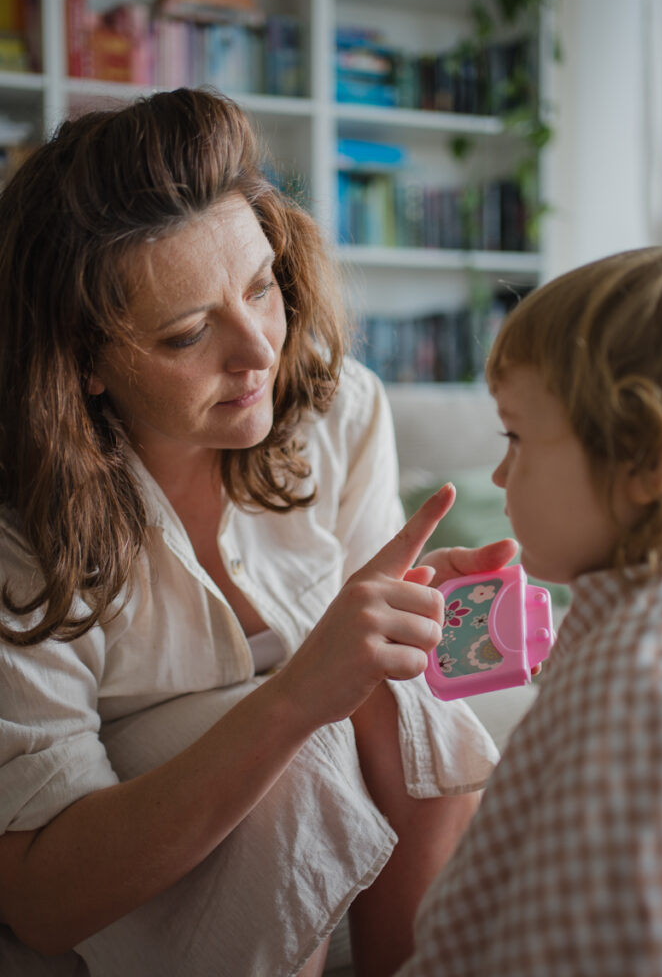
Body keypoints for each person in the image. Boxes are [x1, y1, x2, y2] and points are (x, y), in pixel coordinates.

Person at [0, 87, 514, 977]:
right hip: (142, 817)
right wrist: (295, 699)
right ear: (82, 363)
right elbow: (40, 907)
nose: (258, 352)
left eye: (260, 287)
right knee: (307, 754)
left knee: (413, 682)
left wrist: (407, 621)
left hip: (329, 782)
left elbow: (370, 666)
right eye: (187, 334)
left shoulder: (338, 409)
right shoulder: (22, 528)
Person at [397, 246, 662, 976]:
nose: (498, 474)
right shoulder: (621, 640)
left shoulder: (635, 687)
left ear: (645, 461)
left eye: (516, 437)